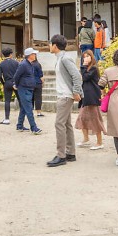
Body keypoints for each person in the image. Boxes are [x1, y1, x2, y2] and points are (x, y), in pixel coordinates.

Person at [47, 34, 82, 167]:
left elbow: (77, 76)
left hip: (65, 95)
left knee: (59, 124)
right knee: (66, 124)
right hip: (64, 94)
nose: (49, 46)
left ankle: (61, 155)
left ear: (55, 46)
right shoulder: (61, 58)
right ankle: (70, 153)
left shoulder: (65, 59)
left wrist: (76, 91)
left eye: (50, 44)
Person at [75, 50, 105, 150]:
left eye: (88, 56)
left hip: (92, 97)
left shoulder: (93, 68)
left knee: (95, 119)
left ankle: (99, 142)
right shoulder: (86, 68)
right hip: (85, 97)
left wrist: (83, 66)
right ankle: (86, 139)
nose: (86, 58)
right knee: (82, 117)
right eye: (84, 56)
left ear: (92, 57)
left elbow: (85, 77)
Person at [13, 48, 42, 134]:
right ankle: (34, 128)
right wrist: (16, 85)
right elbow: (16, 76)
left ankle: (19, 125)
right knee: (29, 108)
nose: (35, 55)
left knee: (24, 107)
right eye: (34, 54)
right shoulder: (23, 64)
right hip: (24, 88)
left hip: (29, 88)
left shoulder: (30, 64)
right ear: (30, 55)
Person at [0, 47, 18, 125]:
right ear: (11, 54)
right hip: (15, 82)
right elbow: (19, 73)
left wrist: (4, 83)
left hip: (7, 82)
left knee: (7, 101)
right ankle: (22, 116)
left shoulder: (1, 64)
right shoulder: (16, 63)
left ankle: (6, 119)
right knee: (20, 99)